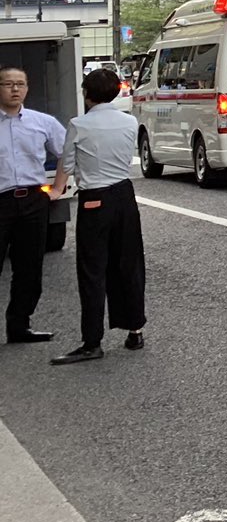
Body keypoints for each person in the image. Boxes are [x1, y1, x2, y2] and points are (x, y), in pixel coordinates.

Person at [50, 69, 143, 365]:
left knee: (93, 270)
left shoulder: (79, 124)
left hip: (95, 200)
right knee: (129, 263)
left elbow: (67, 162)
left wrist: (55, 190)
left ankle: (92, 342)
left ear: (86, 94)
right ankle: (135, 330)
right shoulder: (129, 121)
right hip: (125, 196)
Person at [0, 66, 64, 345]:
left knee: (29, 267)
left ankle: (19, 326)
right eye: (8, 84)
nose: (15, 89)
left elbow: (67, 153)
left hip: (33, 200)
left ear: (27, 88)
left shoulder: (43, 122)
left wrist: (58, 187)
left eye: (20, 84)